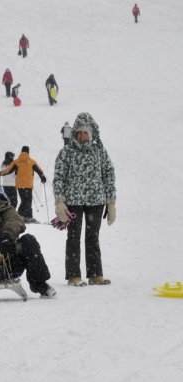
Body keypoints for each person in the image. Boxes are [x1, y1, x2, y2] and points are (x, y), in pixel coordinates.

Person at [52, 112, 117, 286]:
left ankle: (95, 274)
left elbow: (109, 174)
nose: (81, 136)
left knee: (92, 237)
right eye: (78, 132)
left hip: (96, 201)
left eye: (85, 132)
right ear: (74, 133)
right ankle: (74, 275)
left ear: (91, 133)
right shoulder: (66, 152)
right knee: (73, 237)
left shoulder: (100, 151)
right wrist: (60, 201)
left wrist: (111, 202)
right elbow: (59, 177)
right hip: (73, 202)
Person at [0, 146, 46, 223]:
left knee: (24, 200)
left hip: (20, 185)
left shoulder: (17, 161)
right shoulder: (32, 162)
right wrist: (42, 176)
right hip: (28, 185)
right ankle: (27, 217)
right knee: (27, 201)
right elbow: (39, 170)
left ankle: (19, 216)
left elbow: (8, 170)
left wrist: (1, 173)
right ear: (28, 152)